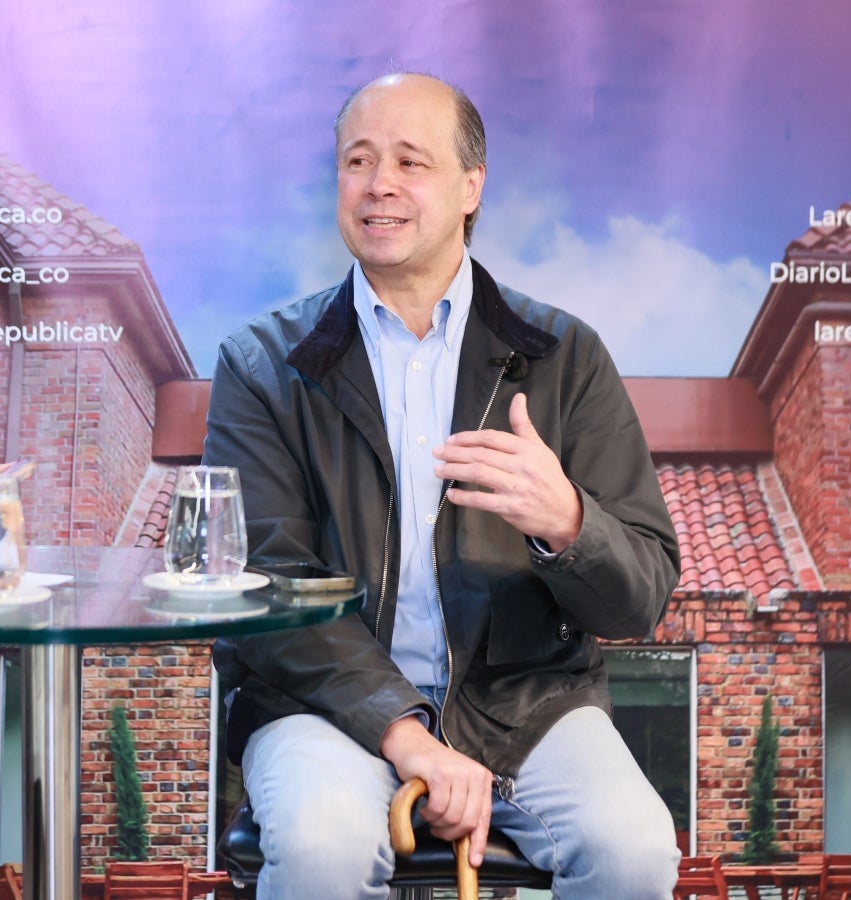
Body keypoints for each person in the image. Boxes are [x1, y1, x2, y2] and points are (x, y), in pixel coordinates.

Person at [205, 72, 682, 900]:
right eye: (358, 160)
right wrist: (408, 735)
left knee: (634, 853)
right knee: (320, 849)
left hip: (529, 703)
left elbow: (639, 599)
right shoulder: (261, 363)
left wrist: (568, 522)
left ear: (471, 186)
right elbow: (265, 592)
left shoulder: (566, 356)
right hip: (321, 706)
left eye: (409, 161)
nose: (379, 183)